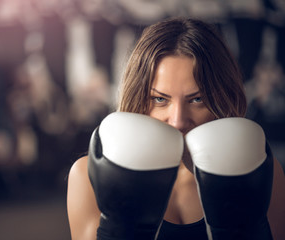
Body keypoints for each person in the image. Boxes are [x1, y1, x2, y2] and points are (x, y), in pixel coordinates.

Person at [67, 17, 285, 240]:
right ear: (137, 96)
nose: (178, 121)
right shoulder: (88, 177)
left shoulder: (259, 172)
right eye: (160, 99)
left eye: (197, 99)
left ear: (223, 96)